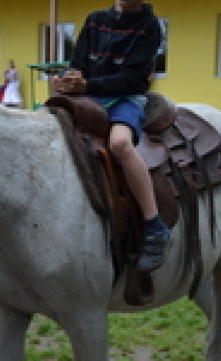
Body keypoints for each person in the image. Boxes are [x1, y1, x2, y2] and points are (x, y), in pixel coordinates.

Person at [52, 0, 169, 273]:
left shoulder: (150, 26)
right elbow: (78, 62)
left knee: (120, 144)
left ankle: (154, 224)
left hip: (125, 98)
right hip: (87, 97)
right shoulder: (94, 19)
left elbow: (132, 78)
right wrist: (68, 79)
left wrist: (87, 84)